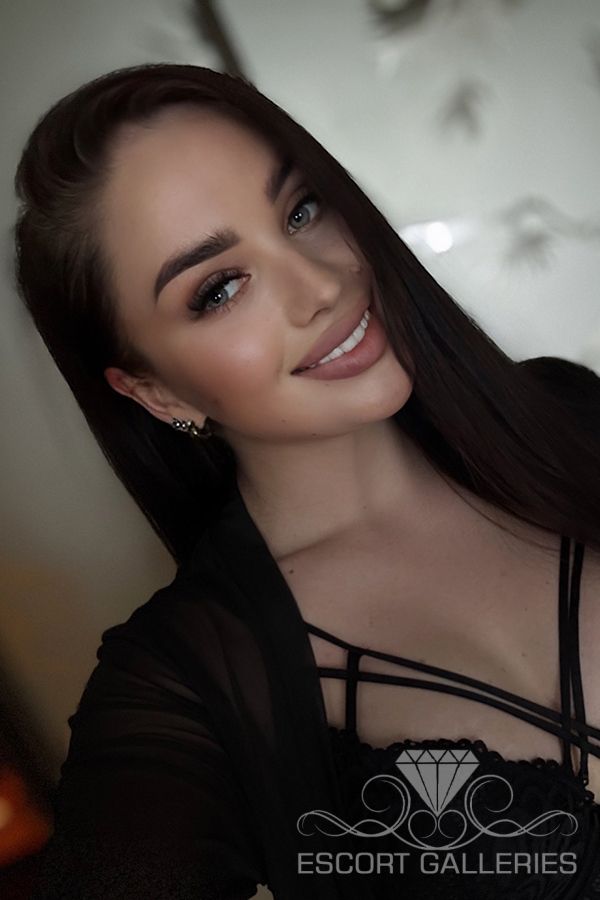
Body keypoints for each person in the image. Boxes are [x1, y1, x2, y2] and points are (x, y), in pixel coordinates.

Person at [13, 63, 600, 900]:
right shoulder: (186, 686)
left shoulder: (570, 416)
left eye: (301, 211)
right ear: (154, 391)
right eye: (219, 288)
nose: (322, 284)